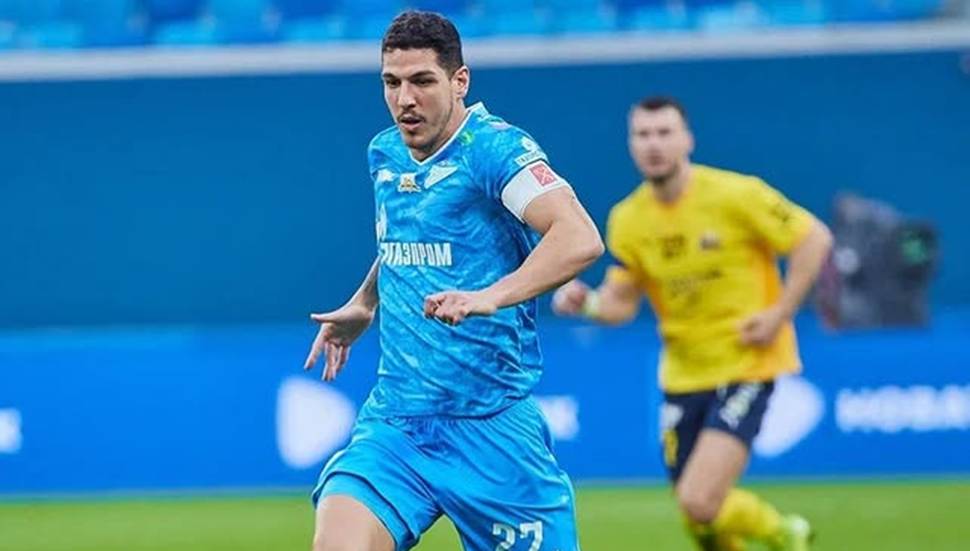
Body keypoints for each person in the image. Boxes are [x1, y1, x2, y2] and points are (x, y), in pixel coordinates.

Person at [303, 10, 603, 551]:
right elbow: (407, 240)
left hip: (492, 429)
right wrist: (366, 301)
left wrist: (491, 296)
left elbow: (578, 237)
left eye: (422, 81)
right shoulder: (385, 153)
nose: (404, 99)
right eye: (391, 83)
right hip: (397, 423)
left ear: (459, 80)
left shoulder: (494, 151)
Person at [553, 96, 832, 551]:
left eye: (664, 133)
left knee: (700, 500)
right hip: (683, 375)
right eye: (643, 135)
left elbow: (814, 239)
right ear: (631, 144)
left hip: (745, 362)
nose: (654, 144)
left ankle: (783, 532)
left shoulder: (736, 194)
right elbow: (621, 305)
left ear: (687, 139)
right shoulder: (628, 219)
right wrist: (587, 304)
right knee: (700, 522)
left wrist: (779, 313)